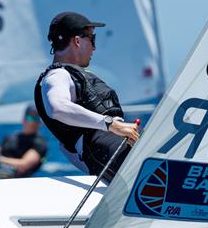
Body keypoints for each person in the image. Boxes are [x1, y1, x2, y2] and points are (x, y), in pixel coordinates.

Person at [34, 11, 140, 182]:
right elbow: (58, 108)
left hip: (112, 145)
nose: (94, 47)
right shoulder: (57, 75)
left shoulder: (72, 75)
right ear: (77, 41)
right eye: (92, 39)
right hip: (106, 145)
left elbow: (68, 150)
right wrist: (111, 124)